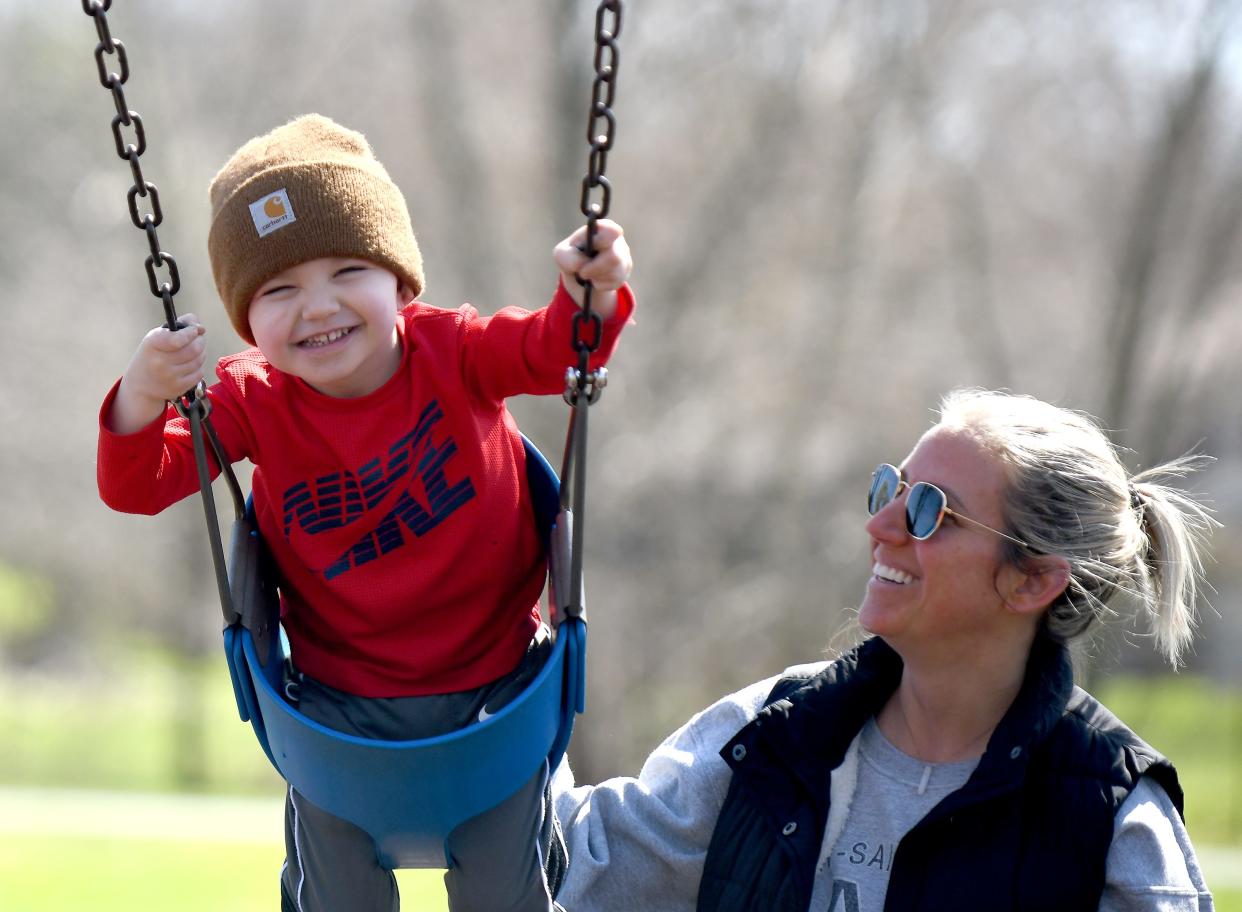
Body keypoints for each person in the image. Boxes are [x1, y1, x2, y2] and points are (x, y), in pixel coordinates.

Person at [96, 113, 634, 912]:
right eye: (278, 290)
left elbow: (561, 350)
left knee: (504, 896)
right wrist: (143, 394)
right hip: (338, 709)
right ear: (248, 319)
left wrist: (592, 290)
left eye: (348, 270)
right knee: (336, 896)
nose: (317, 308)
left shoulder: (454, 351)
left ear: (399, 282)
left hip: (497, 685)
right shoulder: (250, 400)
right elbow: (140, 485)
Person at [554, 389, 1217, 912]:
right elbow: (560, 861)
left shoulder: (1115, 823)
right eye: (890, 488)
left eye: (930, 511)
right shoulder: (767, 741)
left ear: (1033, 579)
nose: (879, 526)